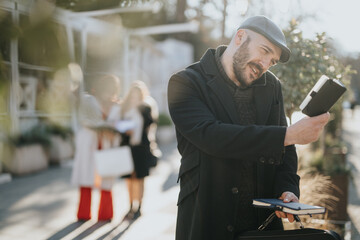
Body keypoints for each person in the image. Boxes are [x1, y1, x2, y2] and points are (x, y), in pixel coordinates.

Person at [167, 15, 330, 240]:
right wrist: (287, 134)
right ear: (240, 37)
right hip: (205, 222)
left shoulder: (271, 86)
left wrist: (288, 190)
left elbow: (286, 149)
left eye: (272, 61)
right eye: (264, 51)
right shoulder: (186, 83)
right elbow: (211, 136)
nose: (265, 65)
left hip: (261, 225)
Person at [71, 74, 121, 221]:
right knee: (86, 177)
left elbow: (121, 124)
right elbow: (83, 120)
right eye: (108, 90)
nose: (110, 94)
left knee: (106, 178)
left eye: (113, 90)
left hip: (107, 144)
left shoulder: (117, 105)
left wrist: (115, 130)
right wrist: (103, 127)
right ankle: (83, 214)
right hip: (89, 142)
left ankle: (105, 214)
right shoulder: (88, 100)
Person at [119, 81, 159, 220]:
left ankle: (139, 207)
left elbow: (150, 124)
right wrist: (125, 131)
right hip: (127, 147)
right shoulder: (124, 109)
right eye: (132, 95)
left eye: (137, 95)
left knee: (140, 178)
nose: (134, 98)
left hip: (141, 148)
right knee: (129, 178)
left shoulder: (145, 109)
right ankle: (130, 206)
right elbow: (119, 127)